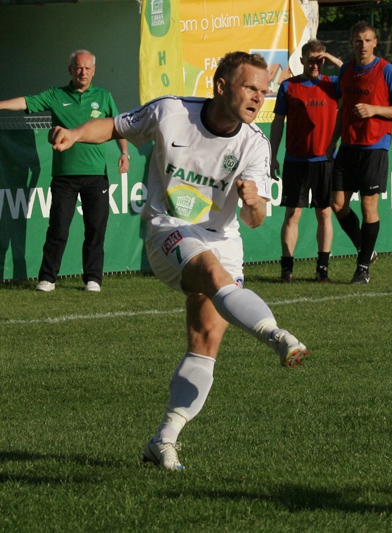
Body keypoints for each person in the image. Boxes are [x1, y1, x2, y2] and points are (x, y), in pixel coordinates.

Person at [48, 51, 309, 471]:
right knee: (211, 272)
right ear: (221, 86)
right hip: (168, 229)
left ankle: (164, 440)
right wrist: (76, 134)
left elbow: (255, 220)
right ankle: (276, 336)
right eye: (250, 87)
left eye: (263, 91)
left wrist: (254, 203)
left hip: (223, 240)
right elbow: (114, 126)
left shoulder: (255, 144)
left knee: (205, 342)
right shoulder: (171, 111)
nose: (258, 98)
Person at [0, 50, 130, 292]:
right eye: (78, 68)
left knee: (95, 230)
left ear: (94, 71)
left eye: (87, 68)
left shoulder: (104, 97)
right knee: (58, 229)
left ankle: (93, 279)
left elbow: (118, 127)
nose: (83, 72)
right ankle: (48, 279)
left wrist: (125, 153)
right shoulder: (56, 95)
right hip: (64, 177)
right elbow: (26, 101)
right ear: (70, 70)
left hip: (96, 176)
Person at [327, 21, 392, 284]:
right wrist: (333, 141)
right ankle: (367, 249)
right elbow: (343, 108)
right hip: (348, 146)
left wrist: (375, 110)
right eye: (358, 40)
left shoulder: (388, 70)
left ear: (375, 43)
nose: (362, 44)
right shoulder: (347, 70)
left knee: (368, 205)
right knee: (337, 204)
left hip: (374, 146)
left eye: (367, 40)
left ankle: (362, 268)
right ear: (351, 43)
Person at [270, 40, 342, 283]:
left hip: (325, 160)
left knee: (324, 213)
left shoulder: (333, 83)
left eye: (320, 60)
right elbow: (278, 123)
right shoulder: (288, 86)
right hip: (296, 160)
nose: (315, 65)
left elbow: (352, 73)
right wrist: (273, 156)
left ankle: (322, 269)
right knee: (292, 214)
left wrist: (331, 58)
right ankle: (286, 268)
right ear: (301, 61)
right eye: (311, 60)